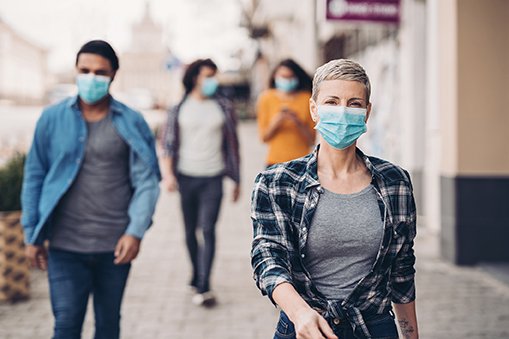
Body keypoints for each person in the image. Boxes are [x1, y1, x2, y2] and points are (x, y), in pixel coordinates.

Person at [251, 59, 418, 339]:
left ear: (367, 112)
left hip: (374, 328)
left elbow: (402, 272)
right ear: (314, 109)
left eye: (354, 103)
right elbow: (268, 257)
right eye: (332, 101)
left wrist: (411, 335)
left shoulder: (395, 182)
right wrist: (299, 312)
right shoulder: (277, 182)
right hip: (305, 327)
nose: (342, 111)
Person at [21, 40, 161, 339]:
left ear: (112, 76)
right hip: (64, 245)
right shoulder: (51, 118)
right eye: (84, 70)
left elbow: (147, 182)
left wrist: (135, 231)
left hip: (115, 247)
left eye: (100, 72)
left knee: (108, 326)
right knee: (66, 325)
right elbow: (34, 175)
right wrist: (31, 233)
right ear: (76, 70)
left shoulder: (132, 122)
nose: (91, 78)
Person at [162, 58, 240, 306]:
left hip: (213, 177)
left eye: (214, 75)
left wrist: (236, 179)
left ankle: (205, 284)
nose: (212, 80)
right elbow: (168, 145)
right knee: (189, 231)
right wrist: (169, 175)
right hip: (186, 176)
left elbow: (233, 146)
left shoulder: (224, 107)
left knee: (208, 229)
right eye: (207, 75)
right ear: (195, 77)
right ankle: (196, 273)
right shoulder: (178, 108)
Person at [256, 59, 316, 166]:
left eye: (291, 76)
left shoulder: (307, 98)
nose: (287, 80)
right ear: (275, 77)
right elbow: (264, 138)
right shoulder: (266, 98)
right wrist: (276, 122)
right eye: (284, 76)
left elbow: (311, 140)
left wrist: (298, 122)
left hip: (302, 163)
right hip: (274, 162)